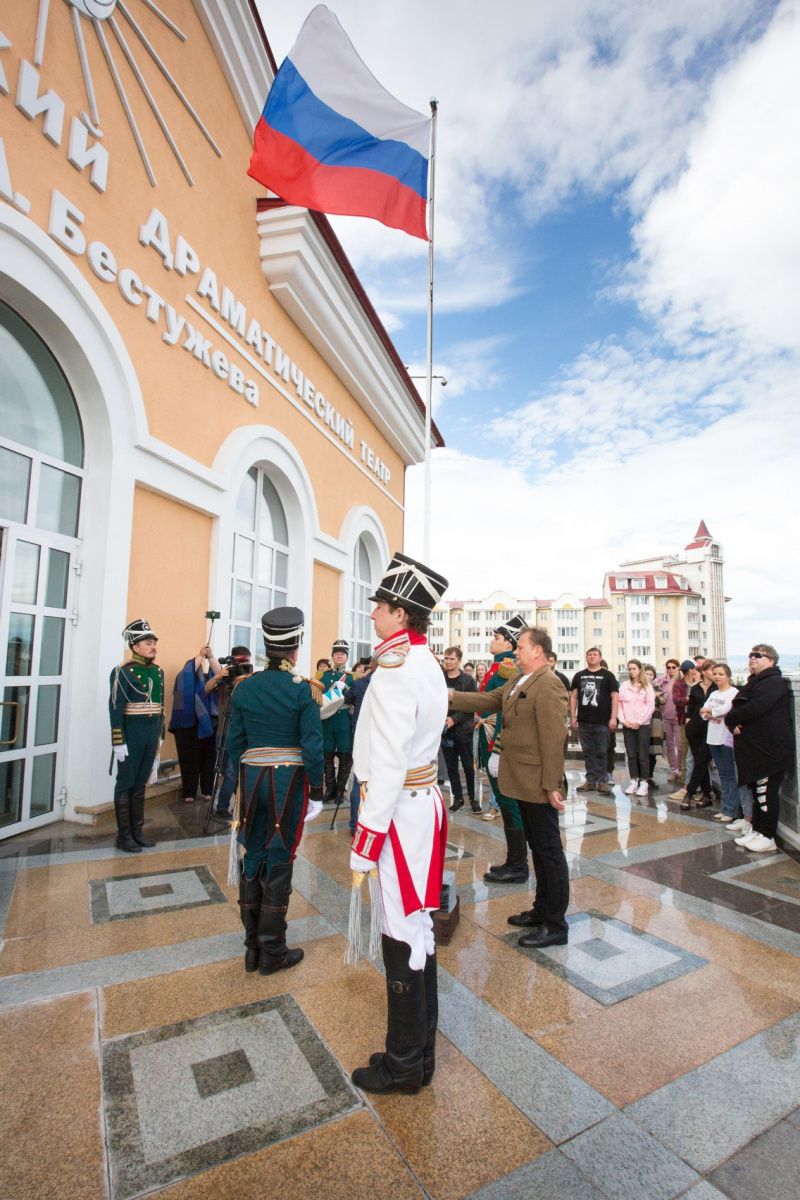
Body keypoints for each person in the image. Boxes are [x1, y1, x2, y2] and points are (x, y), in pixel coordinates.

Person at [348, 551, 449, 1096]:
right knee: (419, 928)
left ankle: (404, 1063)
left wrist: (364, 844)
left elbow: (385, 769)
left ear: (402, 614)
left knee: (400, 931)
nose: (373, 615)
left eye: (381, 607)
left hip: (398, 812)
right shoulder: (424, 662)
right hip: (421, 804)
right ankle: (420, 1052)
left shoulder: (393, 672)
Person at [449, 627, 570, 947]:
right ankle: (541, 910)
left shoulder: (550, 684)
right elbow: (489, 699)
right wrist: (448, 694)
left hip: (538, 784)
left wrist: (552, 785)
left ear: (538, 651)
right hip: (520, 780)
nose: (516, 651)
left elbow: (555, 739)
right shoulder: (518, 680)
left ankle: (556, 924)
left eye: (522, 647)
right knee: (539, 850)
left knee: (549, 853)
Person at [226, 607, 324, 974]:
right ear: (295, 649)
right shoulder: (304, 690)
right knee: (280, 856)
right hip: (287, 783)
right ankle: (274, 951)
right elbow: (312, 747)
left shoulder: (245, 687)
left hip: (252, 781)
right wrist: (316, 790)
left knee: (253, 854)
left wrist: (235, 787)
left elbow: (235, 744)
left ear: (268, 648)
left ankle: (252, 949)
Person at [474, 615, 530, 882]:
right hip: (489, 737)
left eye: (496, 638)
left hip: (497, 739)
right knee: (505, 799)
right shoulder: (499, 665)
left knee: (508, 801)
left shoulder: (507, 667)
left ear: (509, 642)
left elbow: (503, 711)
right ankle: (513, 860)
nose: (492, 642)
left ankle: (518, 865)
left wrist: (497, 747)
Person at [726, 644, 793, 853]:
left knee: (766, 793)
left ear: (771, 661)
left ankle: (768, 835)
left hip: (770, 751)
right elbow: (741, 707)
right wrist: (731, 721)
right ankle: (757, 829)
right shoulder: (755, 682)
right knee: (757, 792)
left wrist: (730, 717)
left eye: (758, 655)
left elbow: (755, 708)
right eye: (750, 655)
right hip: (757, 750)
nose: (752, 658)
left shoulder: (773, 682)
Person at [109, 619, 165, 853]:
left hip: (150, 736)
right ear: (135, 646)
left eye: (153, 642)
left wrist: (159, 735)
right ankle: (124, 836)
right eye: (147, 642)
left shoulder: (157, 671)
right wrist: (118, 742)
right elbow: (115, 709)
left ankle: (137, 831)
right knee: (126, 784)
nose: (153, 646)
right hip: (131, 736)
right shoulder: (122, 672)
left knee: (141, 783)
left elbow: (160, 706)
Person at [570, 648, 619, 796]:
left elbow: (615, 697)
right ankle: (590, 780)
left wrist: (613, 718)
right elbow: (573, 697)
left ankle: (602, 781)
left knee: (602, 752)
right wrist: (573, 716)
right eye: (589, 655)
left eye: (595, 655)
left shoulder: (608, 676)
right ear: (586, 657)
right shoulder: (579, 675)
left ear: (600, 657)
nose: (592, 657)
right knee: (588, 752)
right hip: (584, 721)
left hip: (602, 721)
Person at [213, 645, 252, 820]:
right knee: (228, 772)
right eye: (241, 662)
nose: (244, 667)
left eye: (247, 662)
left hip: (243, 732)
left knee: (238, 771)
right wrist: (219, 676)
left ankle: (240, 805)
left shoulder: (249, 682)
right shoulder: (226, 678)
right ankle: (222, 806)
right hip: (226, 730)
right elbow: (206, 690)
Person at [441, 647, 480, 813]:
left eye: (451, 659)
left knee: (468, 766)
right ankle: (458, 798)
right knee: (451, 767)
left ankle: (473, 799)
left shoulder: (468, 681)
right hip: (445, 731)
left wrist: (454, 719)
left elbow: (471, 705)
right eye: (446, 659)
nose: (448, 662)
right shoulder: (439, 678)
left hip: (463, 730)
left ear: (459, 661)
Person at [700, 664, 739, 824]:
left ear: (728, 676)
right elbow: (703, 712)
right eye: (715, 673)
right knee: (722, 774)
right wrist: (709, 713)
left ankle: (731, 809)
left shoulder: (733, 692)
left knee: (730, 775)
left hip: (725, 738)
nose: (717, 677)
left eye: (721, 674)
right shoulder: (714, 692)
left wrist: (711, 712)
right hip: (713, 736)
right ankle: (724, 807)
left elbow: (725, 709)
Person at [342, 658, 376, 834]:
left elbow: (346, 699)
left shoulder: (358, 684)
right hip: (382, 737)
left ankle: (355, 824)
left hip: (361, 735)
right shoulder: (389, 684)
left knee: (359, 779)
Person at [319, 639, 354, 805]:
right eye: (336, 654)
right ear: (332, 656)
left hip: (343, 720)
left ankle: (340, 790)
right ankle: (330, 789)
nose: (339, 656)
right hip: (327, 720)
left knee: (345, 755)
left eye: (342, 654)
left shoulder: (352, 677)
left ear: (346, 657)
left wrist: (346, 688)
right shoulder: (323, 676)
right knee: (327, 755)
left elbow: (355, 696)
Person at [682, 659, 717, 810]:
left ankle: (689, 794)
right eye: (711, 671)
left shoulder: (717, 689)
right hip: (694, 730)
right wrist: (689, 724)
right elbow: (690, 709)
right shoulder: (696, 688)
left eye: (716, 672)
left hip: (711, 730)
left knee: (701, 762)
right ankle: (707, 795)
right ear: (703, 671)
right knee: (699, 762)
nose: (714, 674)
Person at [619, 659, 656, 798]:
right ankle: (634, 780)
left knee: (643, 755)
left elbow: (650, 707)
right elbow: (620, 705)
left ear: (640, 669)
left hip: (642, 725)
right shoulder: (624, 686)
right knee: (631, 754)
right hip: (628, 724)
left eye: (634, 668)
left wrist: (639, 722)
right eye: (629, 669)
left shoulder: (647, 687)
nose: (631, 671)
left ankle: (644, 782)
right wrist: (624, 721)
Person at [669, 661, 699, 802]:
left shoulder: (699, 683)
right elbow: (677, 700)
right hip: (684, 720)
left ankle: (697, 785)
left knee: (696, 754)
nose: (691, 672)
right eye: (689, 670)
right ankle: (686, 783)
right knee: (685, 750)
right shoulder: (679, 684)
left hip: (699, 721)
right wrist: (690, 699)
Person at [657, 659, 681, 781]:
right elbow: (652, 684)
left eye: (674, 667)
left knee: (680, 745)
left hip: (679, 718)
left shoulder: (681, 681)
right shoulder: (663, 681)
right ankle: (674, 770)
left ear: (678, 668)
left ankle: (681, 769)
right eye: (669, 667)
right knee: (670, 746)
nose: (671, 669)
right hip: (666, 717)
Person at [644, 665, 664, 789]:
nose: (649, 676)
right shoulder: (638, 686)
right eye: (647, 673)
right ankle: (641, 776)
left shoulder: (657, 687)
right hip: (642, 720)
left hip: (655, 721)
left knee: (653, 751)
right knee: (642, 750)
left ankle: (650, 776)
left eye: (651, 674)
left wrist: (656, 696)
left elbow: (663, 700)